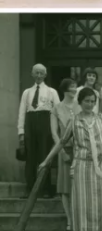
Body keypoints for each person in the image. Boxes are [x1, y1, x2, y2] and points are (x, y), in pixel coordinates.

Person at [39, 87, 102, 231]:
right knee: (83, 203)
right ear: (80, 102)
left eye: (93, 101)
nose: (90, 104)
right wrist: (46, 160)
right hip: (82, 167)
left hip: (101, 167)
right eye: (87, 101)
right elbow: (61, 142)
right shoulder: (73, 121)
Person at [17, 64, 60, 198]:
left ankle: (45, 189)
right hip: (30, 122)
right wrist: (21, 132)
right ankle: (30, 189)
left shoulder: (52, 92)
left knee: (44, 155)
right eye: (36, 73)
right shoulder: (27, 92)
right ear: (32, 74)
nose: (39, 76)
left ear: (45, 75)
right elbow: (22, 112)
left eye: (41, 73)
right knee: (30, 157)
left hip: (45, 122)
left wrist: (55, 131)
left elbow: (58, 111)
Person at [51, 78, 81, 231]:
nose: (74, 90)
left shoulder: (80, 106)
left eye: (75, 87)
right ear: (64, 90)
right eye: (71, 88)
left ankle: (77, 218)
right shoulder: (56, 108)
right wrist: (61, 151)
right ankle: (69, 219)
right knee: (65, 188)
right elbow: (55, 134)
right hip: (63, 149)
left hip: (79, 150)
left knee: (78, 186)